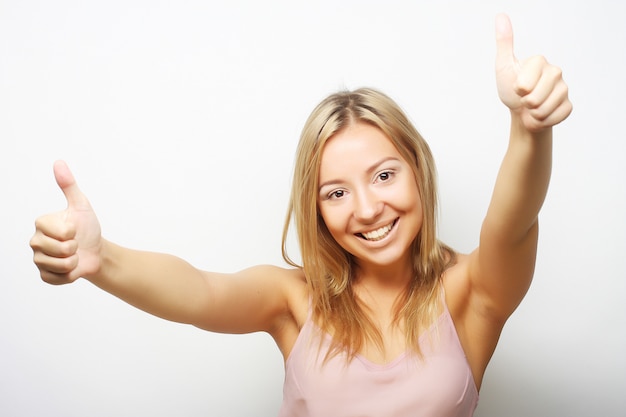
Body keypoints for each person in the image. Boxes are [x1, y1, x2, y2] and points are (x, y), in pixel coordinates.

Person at [30, 14, 571, 417]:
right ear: (315, 209)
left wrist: (529, 127)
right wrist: (101, 260)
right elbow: (199, 292)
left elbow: (511, 222)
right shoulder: (295, 301)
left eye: (385, 175)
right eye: (335, 192)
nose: (366, 209)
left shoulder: (471, 292)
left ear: (418, 171)